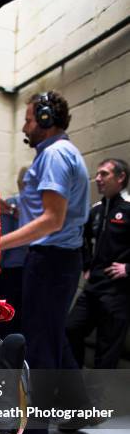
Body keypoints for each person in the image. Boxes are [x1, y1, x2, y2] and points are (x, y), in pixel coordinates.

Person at [0, 91, 90, 434]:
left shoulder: (54, 155)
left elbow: (52, 219)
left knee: (39, 344)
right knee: (50, 337)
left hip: (51, 259)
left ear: (48, 119)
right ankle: (78, 408)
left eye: (29, 119)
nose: (25, 125)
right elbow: (36, 204)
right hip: (57, 260)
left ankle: (33, 432)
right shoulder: (58, 154)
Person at [64, 158, 130, 369]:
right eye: (98, 174)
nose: (98, 179)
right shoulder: (97, 210)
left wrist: (128, 268)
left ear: (121, 178)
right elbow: (82, 238)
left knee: (106, 349)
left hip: (117, 292)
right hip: (93, 287)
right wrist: (86, 265)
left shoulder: (128, 209)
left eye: (104, 174)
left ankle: (99, 399)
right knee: (71, 328)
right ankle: (77, 384)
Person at [0, 167, 29, 338]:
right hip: (31, 269)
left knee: (7, 321)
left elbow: (3, 241)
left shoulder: (12, 203)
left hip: (10, 273)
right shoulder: (41, 206)